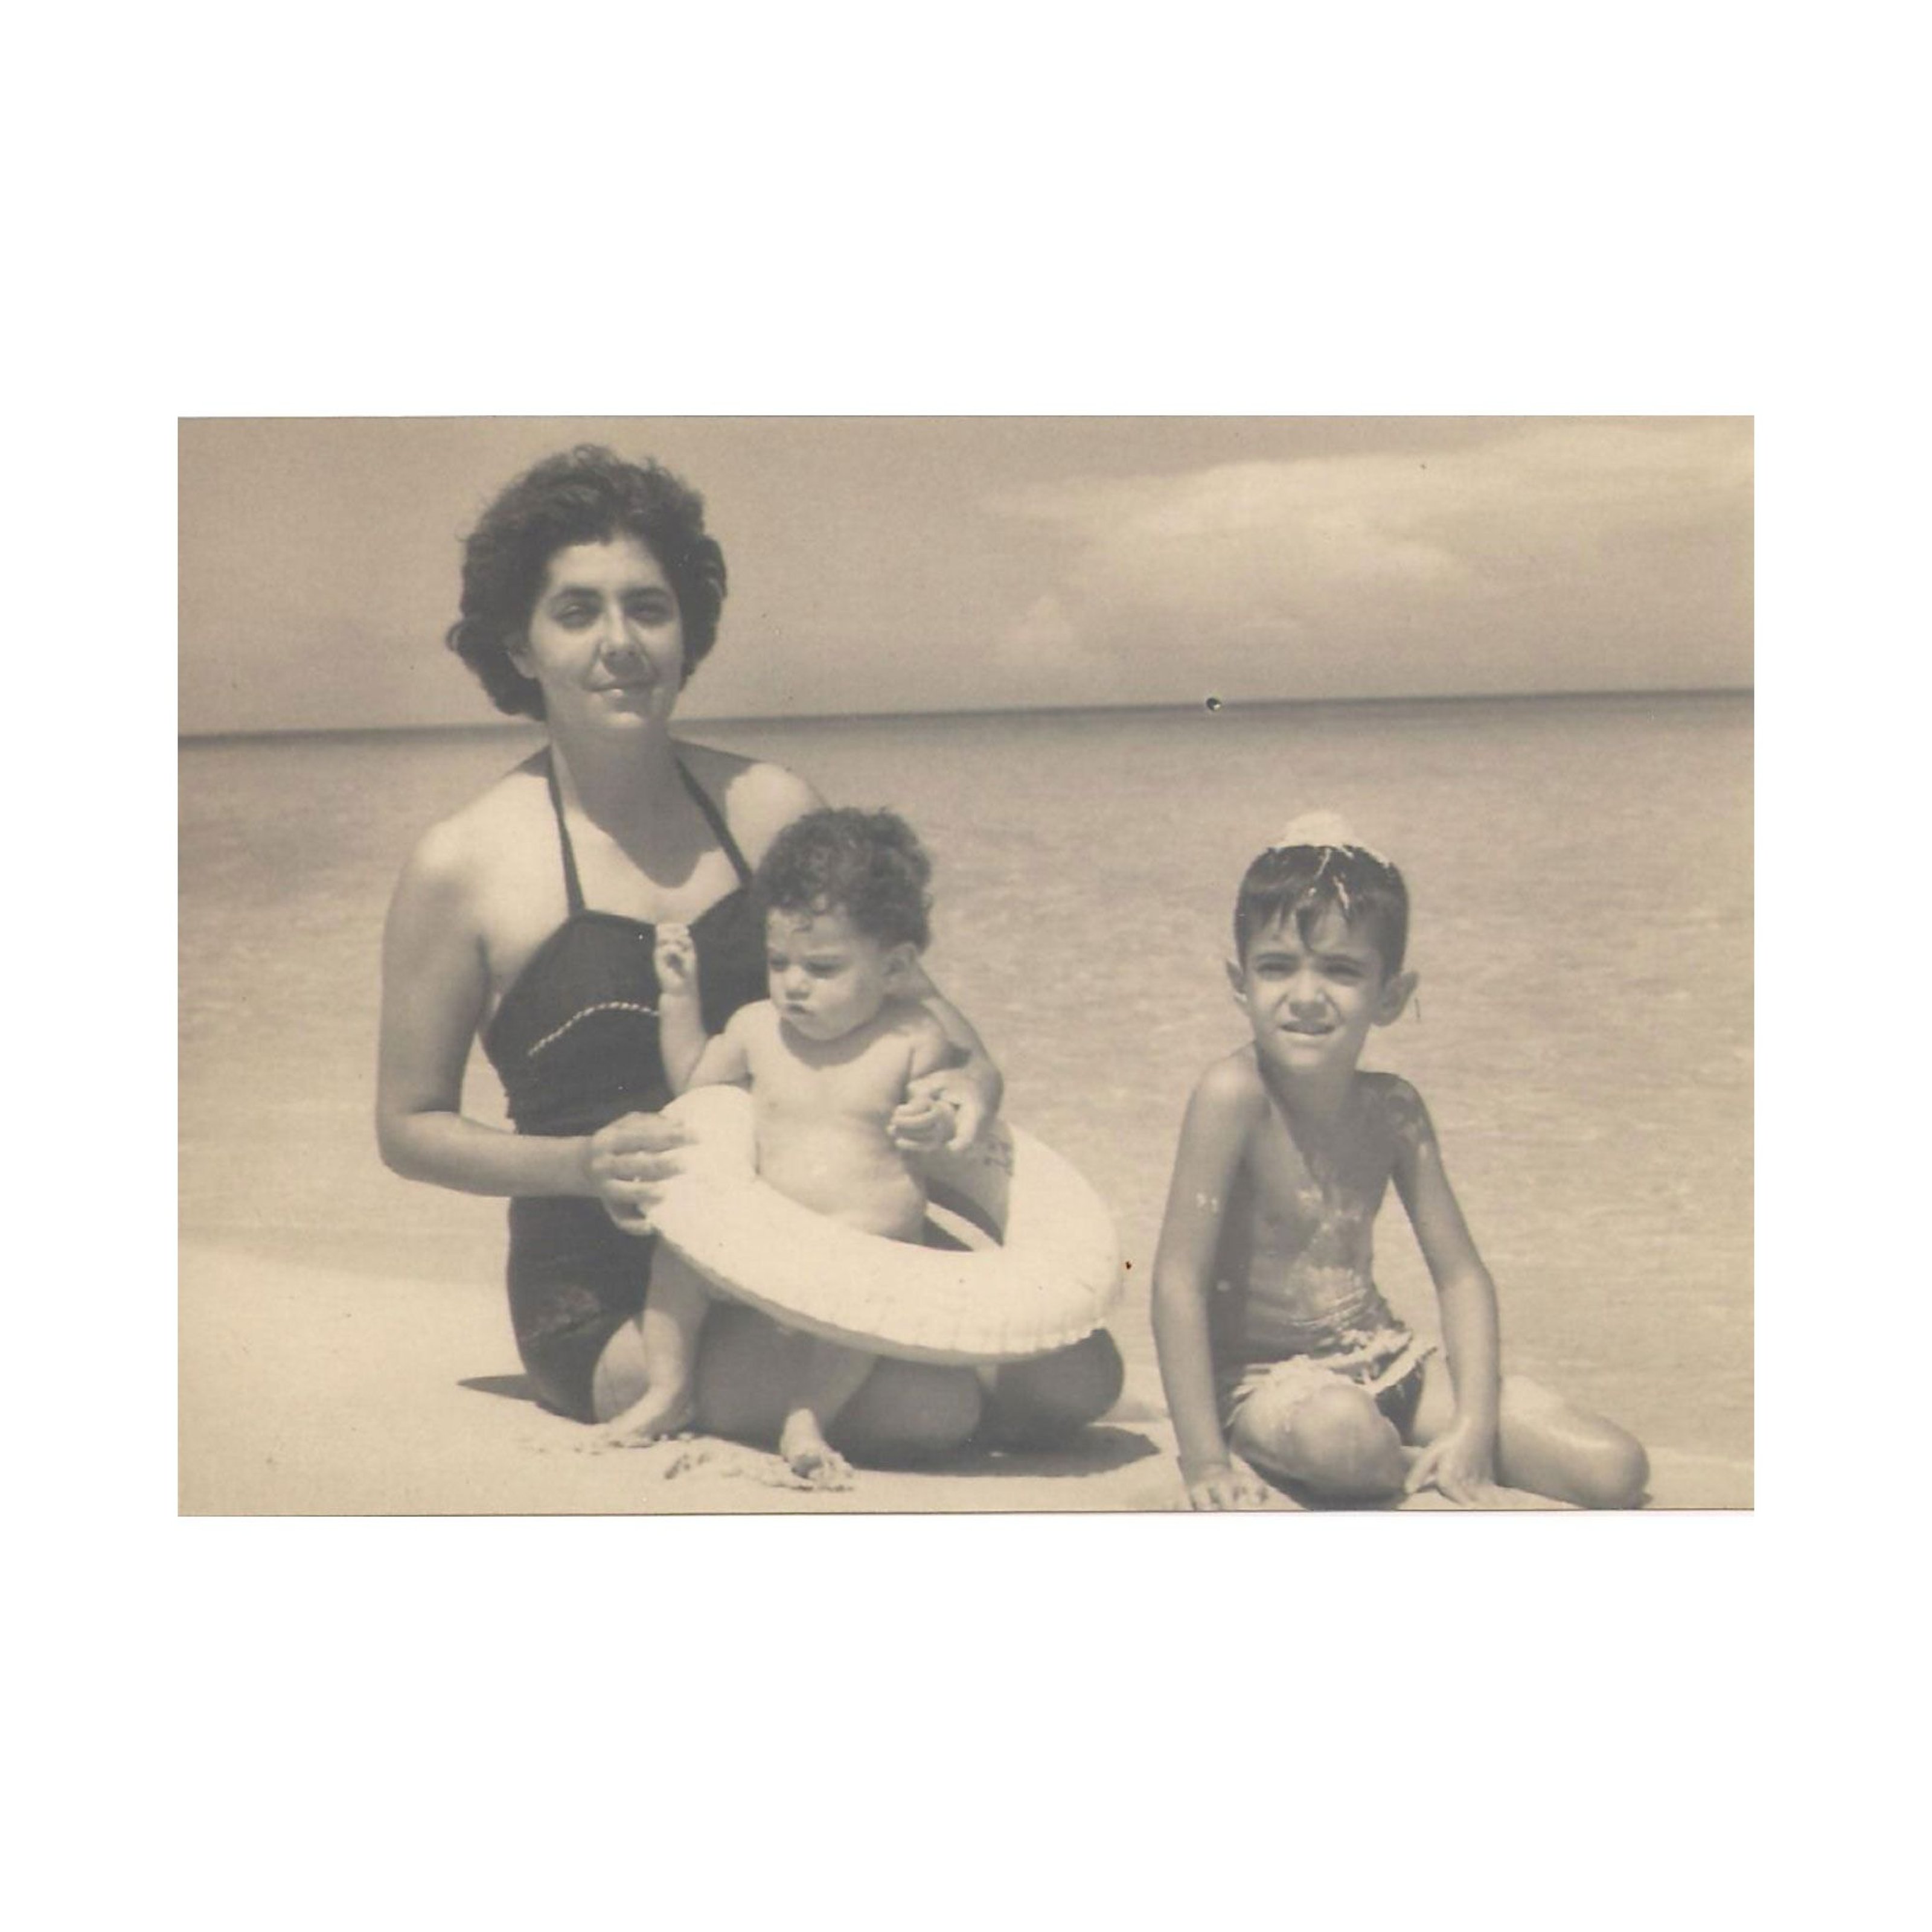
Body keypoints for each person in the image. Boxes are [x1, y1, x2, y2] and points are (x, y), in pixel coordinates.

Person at [376, 446, 1121, 1463]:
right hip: (620, 1279)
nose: (621, 643)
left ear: (689, 628)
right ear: (518, 641)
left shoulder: (768, 810)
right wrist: (581, 1165)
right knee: (927, 1409)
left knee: (1076, 1375)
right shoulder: (464, 863)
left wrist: (968, 1086)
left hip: (822, 1227)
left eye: (648, 606)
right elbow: (408, 1127)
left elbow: (928, 1018)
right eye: (577, 611)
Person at [1150, 811, 1649, 1510]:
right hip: (1262, 1380)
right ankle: (1373, 1457)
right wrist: (1202, 1460)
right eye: (1275, 966)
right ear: (1240, 983)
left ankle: (1409, 1452)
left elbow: (1461, 1275)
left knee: (1613, 1469)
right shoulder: (1232, 1095)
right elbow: (1178, 1279)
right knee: (1342, 1441)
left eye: (1340, 969)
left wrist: (1474, 1423)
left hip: (1387, 1360)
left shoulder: (1393, 1108)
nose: (1303, 993)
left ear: (1390, 996)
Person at [604, 807, 955, 1485]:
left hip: (862, 1245)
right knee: (676, 1263)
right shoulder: (757, 1028)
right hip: (767, 1243)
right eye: (778, 961)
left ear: (895, 966)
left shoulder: (910, 1037)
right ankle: (666, 1388)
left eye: (822, 967)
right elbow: (694, 1081)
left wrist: (934, 1118)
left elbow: (944, 1103)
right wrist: (679, 996)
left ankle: (807, 1414)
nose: (793, 982)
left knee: (857, 1313)